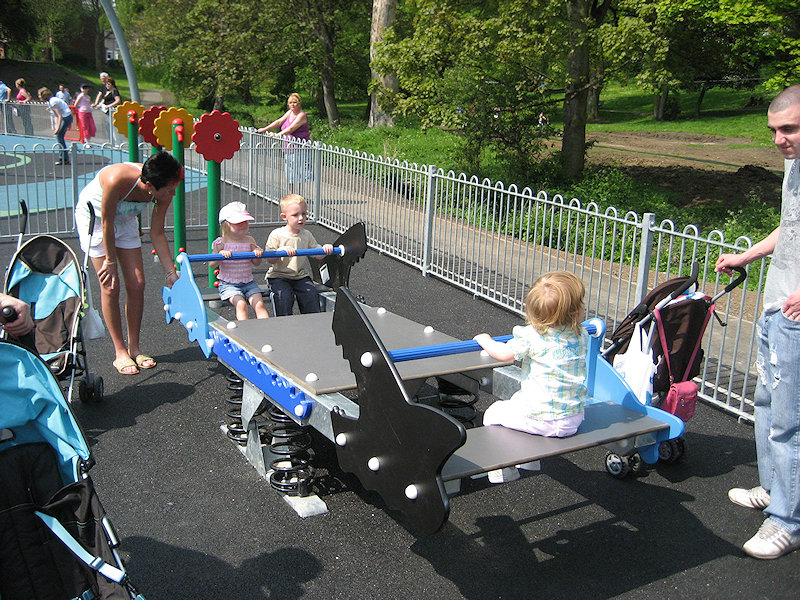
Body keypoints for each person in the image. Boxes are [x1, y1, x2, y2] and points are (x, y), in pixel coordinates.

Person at [716, 84, 800, 560]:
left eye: (789, 128)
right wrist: (747, 254)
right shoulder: (794, 165)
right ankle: (776, 489)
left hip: (797, 314)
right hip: (774, 306)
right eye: (773, 130)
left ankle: (788, 520)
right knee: (766, 404)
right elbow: (791, 225)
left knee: (791, 421)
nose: (779, 139)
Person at [473, 271, 589, 483]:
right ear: (574, 313)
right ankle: (528, 461)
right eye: (582, 303)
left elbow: (504, 355)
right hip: (573, 417)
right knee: (518, 400)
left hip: (543, 419)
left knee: (493, 413)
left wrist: (485, 340)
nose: (585, 307)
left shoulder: (533, 337)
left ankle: (502, 469)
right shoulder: (581, 334)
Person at [74, 151, 183, 375]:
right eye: (170, 189)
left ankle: (135, 347)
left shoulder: (164, 189)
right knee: (110, 285)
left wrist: (170, 272)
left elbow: (157, 232)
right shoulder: (118, 179)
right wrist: (110, 261)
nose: (173, 193)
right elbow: (105, 222)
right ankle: (120, 351)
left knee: (137, 284)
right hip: (95, 222)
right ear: (151, 185)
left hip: (125, 220)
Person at [265, 194, 333, 316]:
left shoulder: (306, 234)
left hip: (300, 276)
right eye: (295, 215)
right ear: (284, 217)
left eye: (304, 214)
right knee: (283, 297)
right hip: (279, 276)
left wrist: (324, 249)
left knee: (310, 294)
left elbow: (317, 253)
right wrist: (281, 250)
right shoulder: (277, 235)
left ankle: (311, 322)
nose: (301, 218)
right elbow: (270, 259)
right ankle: (283, 324)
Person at [210, 202, 269, 320]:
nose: (243, 224)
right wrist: (220, 255)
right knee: (241, 304)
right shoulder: (221, 242)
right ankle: (244, 332)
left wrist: (257, 255)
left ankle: (267, 329)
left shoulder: (249, 240)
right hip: (229, 284)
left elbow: (256, 264)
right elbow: (212, 264)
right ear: (226, 225)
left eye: (245, 221)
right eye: (238, 222)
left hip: (248, 282)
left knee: (259, 304)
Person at [257, 93, 312, 191]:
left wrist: (278, 135)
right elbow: (278, 122)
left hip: (299, 147)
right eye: (290, 103)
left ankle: (297, 195)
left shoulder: (301, 115)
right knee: (290, 171)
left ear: (299, 103)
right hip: (289, 147)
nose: (292, 105)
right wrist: (265, 129)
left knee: (298, 172)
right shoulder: (290, 113)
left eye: (294, 102)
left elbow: (291, 128)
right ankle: (291, 193)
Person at [37, 87, 74, 165]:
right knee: (59, 137)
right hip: (66, 117)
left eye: (40, 95)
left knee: (59, 136)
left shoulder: (53, 101)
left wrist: (57, 128)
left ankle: (64, 158)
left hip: (66, 117)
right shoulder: (51, 101)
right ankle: (63, 157)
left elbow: (59, 116)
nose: (39, 97)